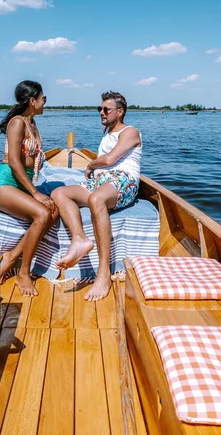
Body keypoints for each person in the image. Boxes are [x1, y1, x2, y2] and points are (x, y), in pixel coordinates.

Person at [52, 91, 142, 302]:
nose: (101, 112)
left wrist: (91, 165)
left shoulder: (131, 132)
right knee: (59, 193)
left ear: (120, 112)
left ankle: (103, 275)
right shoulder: (107, 131)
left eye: (106, 109)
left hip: (124, 180)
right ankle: (80, 239)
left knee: (96, 199)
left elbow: (110, 159)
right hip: (102, 182)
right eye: (99, 109)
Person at [0, 80, 57, 296]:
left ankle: (11, 256)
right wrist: (35, 192)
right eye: (43, 98)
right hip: (6, 184)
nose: (45, 102)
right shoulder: (17, 122)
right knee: (41, 213)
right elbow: (14, 162)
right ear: (32, 100)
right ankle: (23, 273)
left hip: (22, 184)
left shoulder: (33, 124)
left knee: (53, 211)